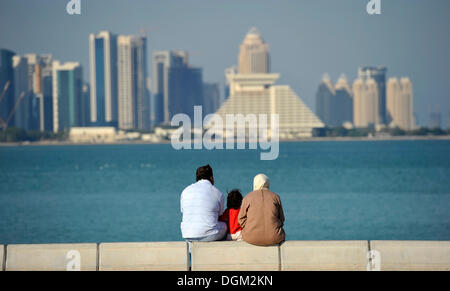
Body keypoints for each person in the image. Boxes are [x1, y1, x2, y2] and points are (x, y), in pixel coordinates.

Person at [180, 164, 227, 242]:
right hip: (209, 235)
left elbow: (183, 211)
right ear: (211, 177)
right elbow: (220, 215)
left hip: (187, 234)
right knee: (225, 225)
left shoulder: (185, 191)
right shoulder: (217, 193)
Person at [238, 174, 285, 246]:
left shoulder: (247, 197)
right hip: (274, 237)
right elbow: (281, 219)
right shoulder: (275, 197)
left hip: (251, 237)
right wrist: (275, 226)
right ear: (267, 183)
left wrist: (249, 226)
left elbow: (241, 219)